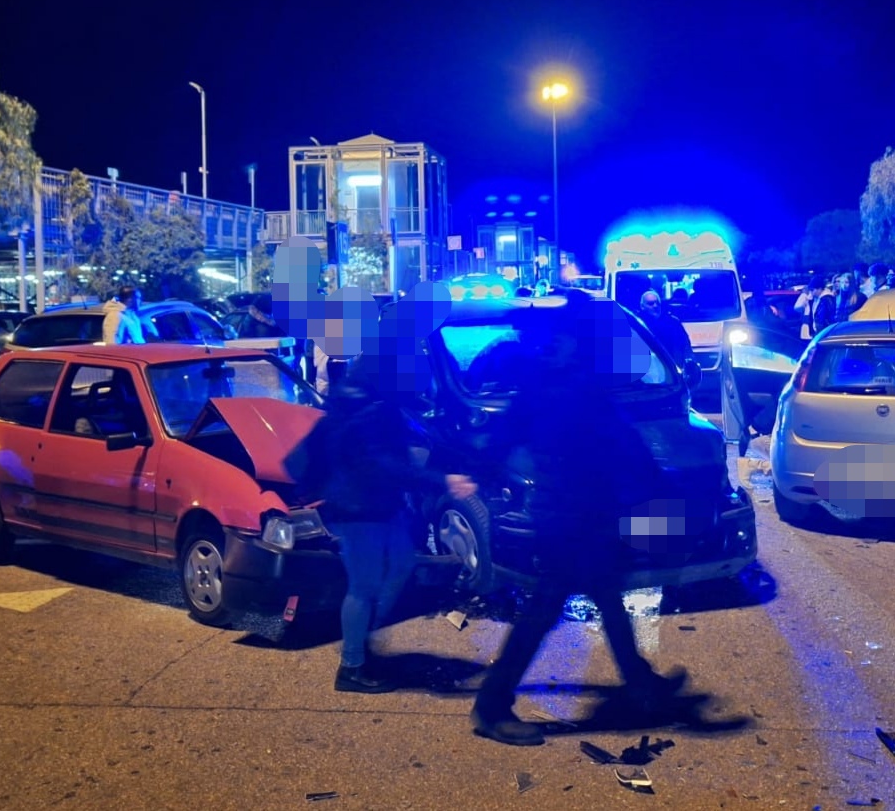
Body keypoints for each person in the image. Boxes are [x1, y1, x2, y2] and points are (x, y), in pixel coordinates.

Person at [471, 296, 688, 746]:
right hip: (567, 519)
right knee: (543, 611)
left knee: (607, 599)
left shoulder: (567, 381)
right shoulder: (560, 386)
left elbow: (618, 442)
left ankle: (640, 683)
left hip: (585, 514)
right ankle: (491, 706)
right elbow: (619, 442)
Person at [287, 359, 476, 694]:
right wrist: (442, 480)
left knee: (401, 564)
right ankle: (352, 666)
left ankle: (364, 634)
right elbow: (383, 465)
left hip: (379, 505)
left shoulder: (363, 400)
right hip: (358, 510)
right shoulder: (367, 411)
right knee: (363, 586)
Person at [637, 289, 693, 366]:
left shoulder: (673, 322)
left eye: (657, 303)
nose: (655, 306)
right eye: (651, 303)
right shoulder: (637, 324)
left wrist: (690, 363)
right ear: (642, 306)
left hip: (672, 367)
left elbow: (685, 345)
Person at [793, 274, 836, 340]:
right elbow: (797, 307)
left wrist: (819, 334)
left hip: (822, 334)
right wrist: (804, 294)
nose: (811, 292)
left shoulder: (826, 300)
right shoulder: (816, 299)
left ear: (820, 289)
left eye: (813, 290)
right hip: (819, 334)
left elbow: (824, 320)